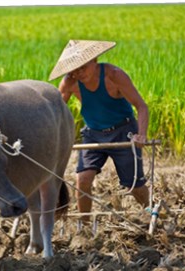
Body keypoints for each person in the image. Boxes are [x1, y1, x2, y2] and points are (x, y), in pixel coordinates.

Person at [48, 40, 150, 223]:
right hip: (93, 133)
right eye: (74, 70)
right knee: (83, 180)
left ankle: (150, 212)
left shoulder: (114, 75)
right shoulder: (70, 82)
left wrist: (141, 134)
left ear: (95, 60)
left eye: (82, 67)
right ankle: (84, 225)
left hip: (123, 131)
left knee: (134, 185)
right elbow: (54, 111)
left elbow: (141, 106)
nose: (78, 73)